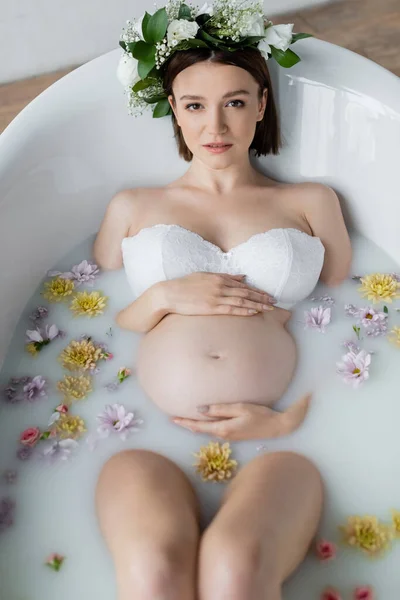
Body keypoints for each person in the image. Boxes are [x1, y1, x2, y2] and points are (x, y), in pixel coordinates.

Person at [94, 3, 352, 598]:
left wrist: (292, 419)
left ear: (262, 106)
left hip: (280, 437)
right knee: (156, 573)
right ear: (173, 111)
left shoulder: (312, 201)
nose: (216, 126)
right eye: (195, 105)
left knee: (235, 573)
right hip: (141, 433)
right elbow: (108, 313)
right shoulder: (131, 206)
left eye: (235, 102)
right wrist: (163, 295)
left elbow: (345, 317)